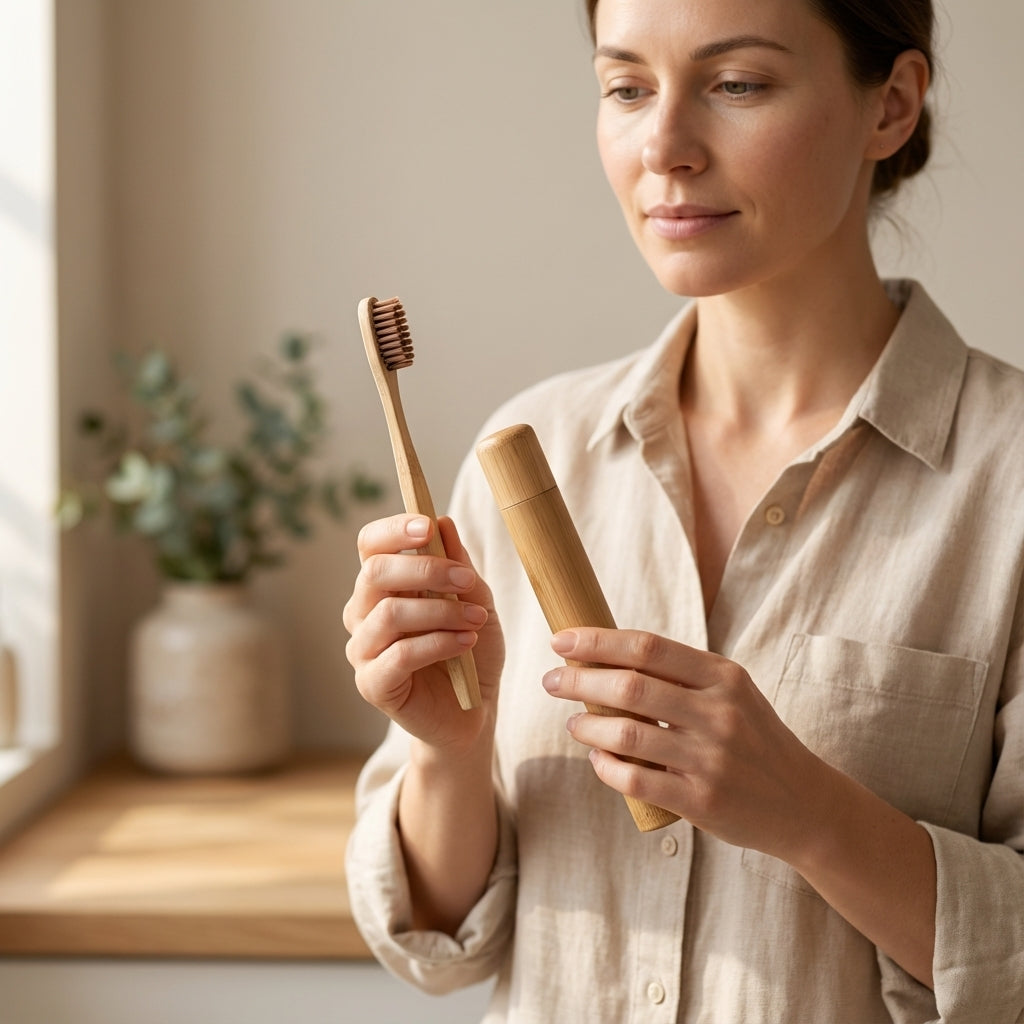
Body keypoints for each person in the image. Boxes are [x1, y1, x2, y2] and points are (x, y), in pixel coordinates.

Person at [343, 0, 1024, 1020]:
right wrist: (449, 748)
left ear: (889, 107)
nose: (662, 147)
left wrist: (812, 816)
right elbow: (438, 948)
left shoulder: (1005, 480)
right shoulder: (534, 453)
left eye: (736, 83)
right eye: (625, 88)